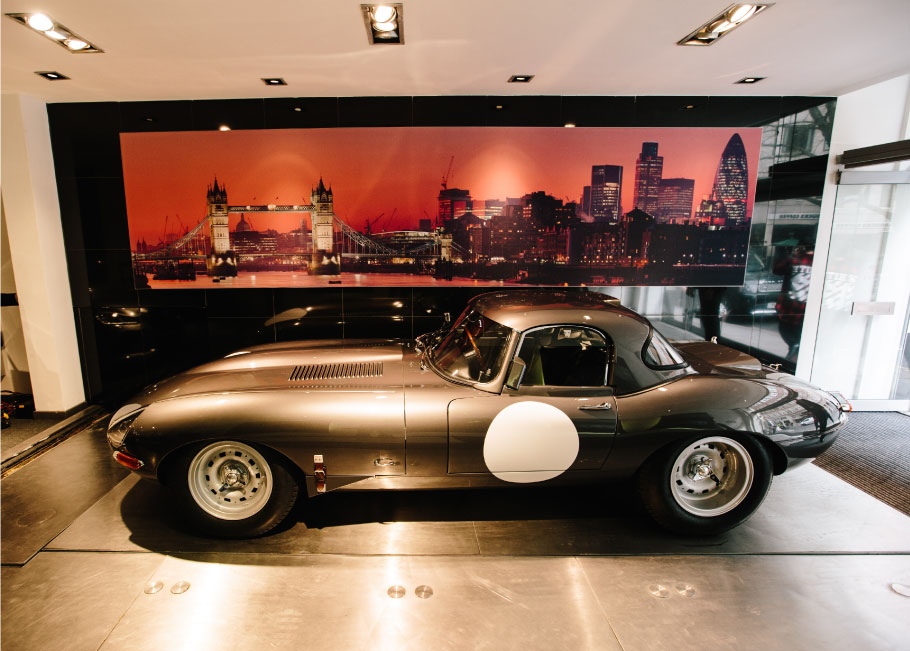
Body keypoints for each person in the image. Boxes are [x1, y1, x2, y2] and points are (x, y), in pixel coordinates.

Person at [773, 245, 814, 362]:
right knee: (799, 343)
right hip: (806, 311)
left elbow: (777, 269)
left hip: (789, 309)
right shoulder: (823, 262)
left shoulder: (794, 259)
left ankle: (793, 355)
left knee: (793, 341)